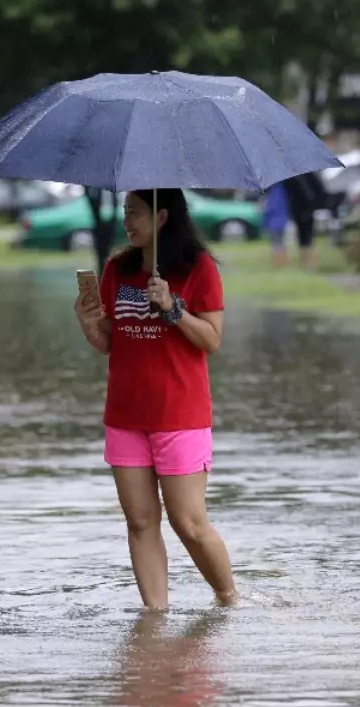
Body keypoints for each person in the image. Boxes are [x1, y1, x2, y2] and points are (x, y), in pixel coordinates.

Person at [73, 188, 236, 610]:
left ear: (162, 216)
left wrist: (174, 308)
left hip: (180, 415)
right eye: (126, 212)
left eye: (136, 213)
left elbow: (213, 340)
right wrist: (89, 324)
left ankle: (229, 599)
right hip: (125, 416)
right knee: (141, 521)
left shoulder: (199, 268)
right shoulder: (117, 268)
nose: (127, 221)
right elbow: (110, 343)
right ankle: (155, 619)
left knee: (189, 522)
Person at [261, 182, 290, 268]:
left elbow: (270, 209)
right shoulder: (284, 192)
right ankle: (282, 262)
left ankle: (278, 263)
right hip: (282, 221)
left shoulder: (273, 193)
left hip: (273, 223)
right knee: (281, 242)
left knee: (275, 244)